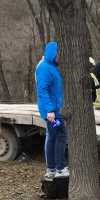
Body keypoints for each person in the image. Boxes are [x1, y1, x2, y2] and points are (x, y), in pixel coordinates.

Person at [36, 41, 67, 180]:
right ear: (52, 54)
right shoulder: (44, 68)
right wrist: (50, 111)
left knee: (55, 136)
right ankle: (58, 169)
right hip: (52, 112)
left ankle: (53, 169)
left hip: (55, 110)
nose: (59, 56)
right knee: (59, 135)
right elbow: (42, 90)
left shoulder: (51, 67)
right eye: (58, 53)